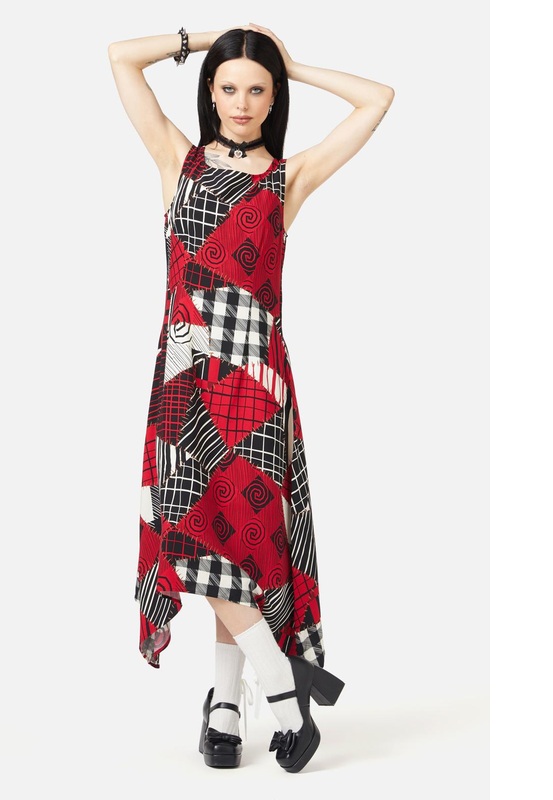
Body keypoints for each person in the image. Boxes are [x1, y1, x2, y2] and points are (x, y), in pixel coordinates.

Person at [108, 23, 394, 773]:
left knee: (235, 542)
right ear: (210, 91)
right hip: (185, 381)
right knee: (192, 537)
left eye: (258, 89)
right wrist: (212, 39)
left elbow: (378, 99)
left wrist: (292, 61)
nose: (241, 102)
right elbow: (120, 58)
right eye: (229, 86)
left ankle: (229, 707)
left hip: (257, 389)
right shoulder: (177, 161)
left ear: (274, 99)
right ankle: (277, 692)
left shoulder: (286, 180)